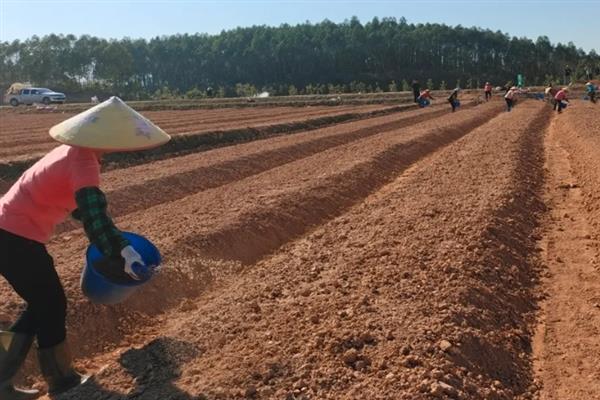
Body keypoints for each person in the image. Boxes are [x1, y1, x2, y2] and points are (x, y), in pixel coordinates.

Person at [0, 96, 170, 399]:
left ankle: (3, 380)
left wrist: (114, 240)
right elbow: (92, 213)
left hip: (8, 232)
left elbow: (80, 206)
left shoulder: (70, 152)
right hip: (14, 237)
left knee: (41, 303)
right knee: (51, 303)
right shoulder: (84, 161)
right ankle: (61, 379)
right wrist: (121, 251)